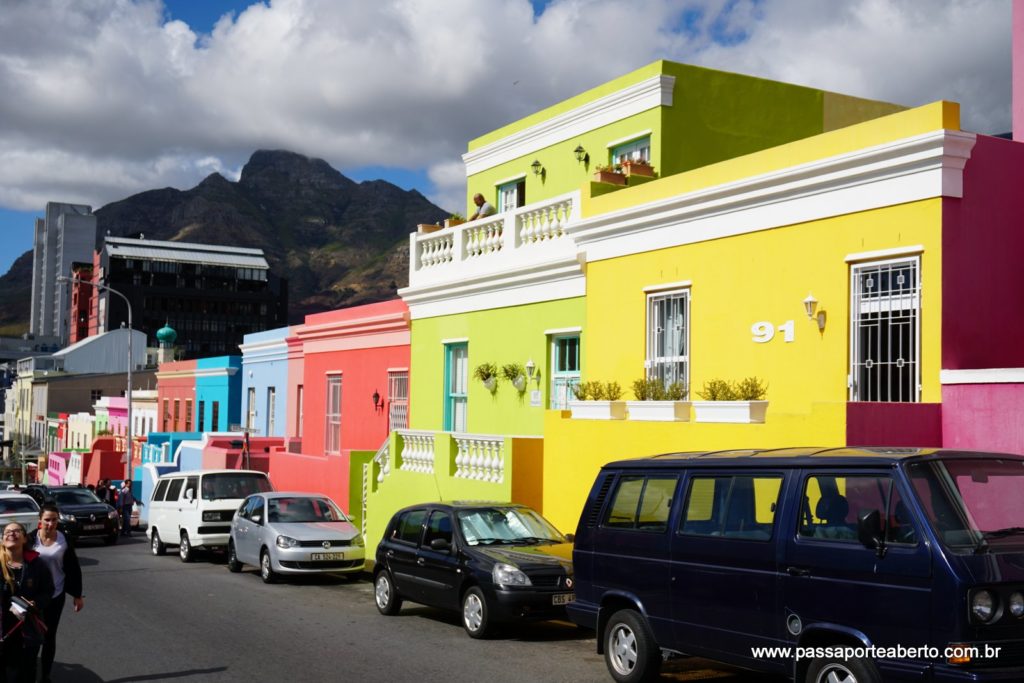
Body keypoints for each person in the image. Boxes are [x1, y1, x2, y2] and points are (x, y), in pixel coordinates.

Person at [30, 504, 83, 683]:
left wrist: (77, 595)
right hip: (33, 597)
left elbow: (73, 568)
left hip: (56, 594)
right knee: (32, 635)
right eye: (47, 520)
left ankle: (45, 675)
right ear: (40, 521)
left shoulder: (64, 539)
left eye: (54, 519)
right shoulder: (30, 541)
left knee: (49, 635)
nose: (51, 523)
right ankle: (30, 671)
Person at [0, 521, 53, 683]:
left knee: (26, 671)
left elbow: (48, 591)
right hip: (2, 629)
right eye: (7, 531)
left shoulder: (37, 564)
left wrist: (36, 603)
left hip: (27, 629)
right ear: (2, 540)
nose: (11, 533)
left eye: (17, 531)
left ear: (24, 538)